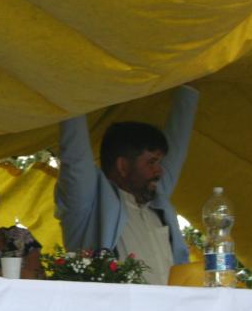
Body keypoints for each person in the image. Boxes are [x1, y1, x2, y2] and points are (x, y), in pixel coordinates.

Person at [53, 87, 198, 286]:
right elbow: (75, 155)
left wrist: (189, 88)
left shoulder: (157, 201)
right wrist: (71, 86)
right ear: (122, 166)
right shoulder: (89, 205)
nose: (160, 171)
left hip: (171, 304)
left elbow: (179, 140)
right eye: (151, 162)